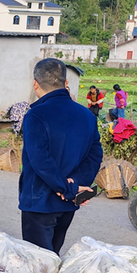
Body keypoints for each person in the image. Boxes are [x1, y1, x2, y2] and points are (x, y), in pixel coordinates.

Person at [19, 58, 103, 254]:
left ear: (35, 83)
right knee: (53, 254)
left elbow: (40, 160)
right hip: (68, 203)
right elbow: (95, 154)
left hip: (39, 201)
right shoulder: (87, 115)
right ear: (66, 83)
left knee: (38, 262)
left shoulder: (36, 115)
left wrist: (65, 187)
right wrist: (75, 184)